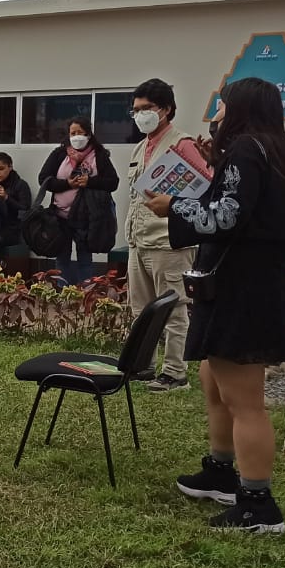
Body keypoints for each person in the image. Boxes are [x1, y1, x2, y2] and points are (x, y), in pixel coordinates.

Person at [144, 76, 285, 535]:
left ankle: (258, 503)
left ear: (240, 109)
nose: (215, 114)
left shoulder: (247, 151)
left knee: (245, 400)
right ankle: (221, 471)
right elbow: (241, 206)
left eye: (220, 106)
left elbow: (226, 216)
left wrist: (172, 207)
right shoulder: (275, 152)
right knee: (212, 377)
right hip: (247, 283)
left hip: (243, 288)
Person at [125, 78, 195, 393]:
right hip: (138, 238)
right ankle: (143, 365)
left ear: (165, 109)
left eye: (147, 108)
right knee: (141, 308)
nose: (140, 115)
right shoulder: (142, 146)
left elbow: (201, 189)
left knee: (174, 307)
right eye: (136, 110)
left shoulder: (183, 143)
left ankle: (175, 373)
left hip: (169, 240)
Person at [37, 117, 120, 285]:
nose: (76, 136)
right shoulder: (59, 154)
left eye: (80, 133)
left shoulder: (99, 155)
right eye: (72, 133)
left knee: (85, 258)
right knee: (62, 259)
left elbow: (113, 182)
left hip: (87, 218)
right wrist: (66, 183)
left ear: (88, 134)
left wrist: (90, 182)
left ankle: (86, 295)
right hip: (60, 216)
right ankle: (63, 295)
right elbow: (44, 179)